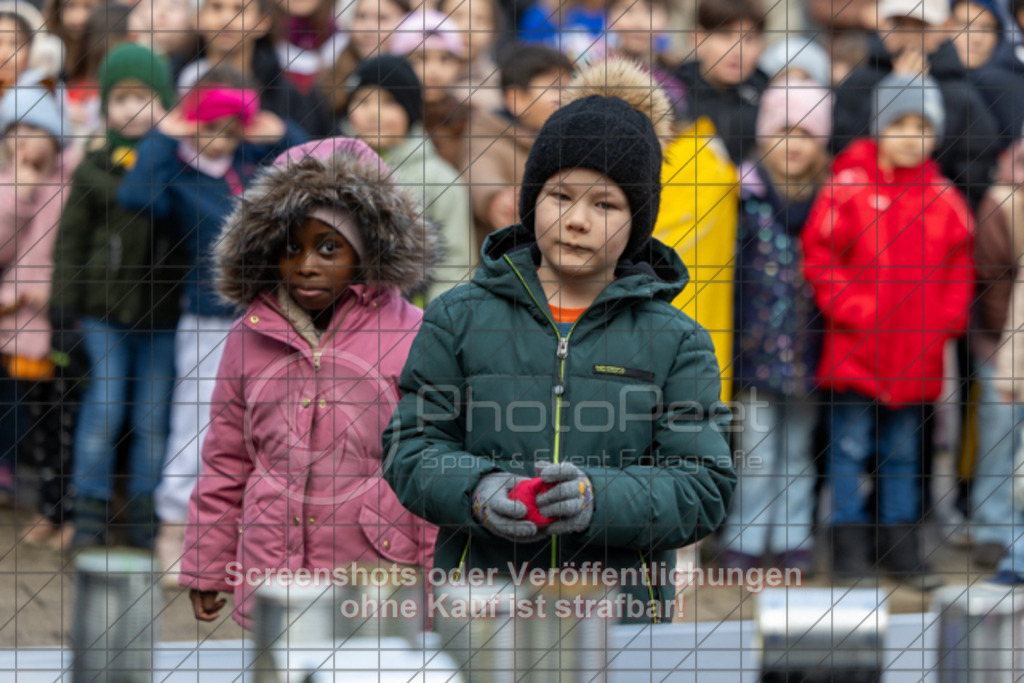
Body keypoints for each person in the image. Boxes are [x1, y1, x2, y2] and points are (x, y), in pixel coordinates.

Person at [382, 59, 737, 624]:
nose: (576, 220)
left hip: (619, 613)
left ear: (639, 220)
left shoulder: (676, 341)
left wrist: (600, 498)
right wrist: (476, 489)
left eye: (604, 204)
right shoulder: (458, 317)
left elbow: (702, 485)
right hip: (483, 606)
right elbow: (412, 447)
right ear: (531, 199)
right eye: (560, 196)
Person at [180, 136, 440, 630]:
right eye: (291, 247)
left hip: (374, 575)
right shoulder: (248, 338)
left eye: (328, 248)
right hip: (274, 573)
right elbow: (226, 459)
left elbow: (430, 471)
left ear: (369, 248)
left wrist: (436, 581)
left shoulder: (414, 336)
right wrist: (207, 563)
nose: (306, 264)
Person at [118, 66, 307, 583]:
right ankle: (175, 528)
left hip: (270, 318)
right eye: (209, 124)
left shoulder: (254, 165)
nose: (219, 136)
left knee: (271, 423)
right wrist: (166, 132)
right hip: (205, 317)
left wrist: (275, 127)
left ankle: (255, 538)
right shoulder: (176, 170)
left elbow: (311, 166)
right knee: (195, 423)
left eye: (230, 124)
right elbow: (137, 198)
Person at [803, 73, 974, 590]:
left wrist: (943, 323)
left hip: (915, 353)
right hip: (855, 349)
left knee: (903, 454)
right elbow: (820, 256)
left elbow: (959, 269)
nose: (910, 138)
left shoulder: (943, 197)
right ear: (879, 127)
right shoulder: (847, 186)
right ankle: (848, 545)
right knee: (849, 449)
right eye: (900, 125)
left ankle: (900, 546)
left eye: (922, 127)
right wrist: (851, 307)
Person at [50, 43, 180, 551]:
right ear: (106, 105)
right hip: (103, 313)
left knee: (152, 418)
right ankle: (89, 513)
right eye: (122, 98)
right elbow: (71, 243)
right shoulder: (92, 166)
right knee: (104, 408)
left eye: (145, 98)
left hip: (162, 316)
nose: (133, 109)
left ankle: (145, 518)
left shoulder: (178, 165)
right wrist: (63, 310)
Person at [719, 79, 833, 575]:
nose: (794, 145)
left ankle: (792, 538)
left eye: (806, 134)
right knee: (756, 451)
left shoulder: (831, 197)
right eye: (784, 132)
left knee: (798, 450)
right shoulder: (743, 195)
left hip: (810, 350)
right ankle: (744, 539)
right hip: (754, 349)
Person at [831, 0, 1000, 208]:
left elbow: (974, 173)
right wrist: (895, 92)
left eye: (920, 25)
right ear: (882, 25)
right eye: (899, 23)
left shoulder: (962, 96)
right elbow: (841, 152)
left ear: (945, 27)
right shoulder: (858, 85)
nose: (909, 35)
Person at [0, 86, 78, 522]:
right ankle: (13, 474)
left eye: (34, 130)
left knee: (58, 412)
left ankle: (61, 504)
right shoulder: (8, 182)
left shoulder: (72, 179)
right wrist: (16, 195)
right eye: (15, 132)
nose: (24, 141)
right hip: (19, 314)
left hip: (62, 315)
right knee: (23, 402)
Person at [342, 55, 474, 301]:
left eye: (389, 102)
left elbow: (454, 267)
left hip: (412, 315)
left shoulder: (439, 179)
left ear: (410, 110)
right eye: (363, 101)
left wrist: (437, 320)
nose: (374, 113)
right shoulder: (333, 167)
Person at [458, 44, 572, 249]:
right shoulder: (487, 136)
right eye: (556, 88)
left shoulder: (568, 138)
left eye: (570, 89)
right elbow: (479, 172)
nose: (566, 99)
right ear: (516, 99)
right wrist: (496, 200)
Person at [177, 0, 332, 138]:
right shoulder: (174, 79)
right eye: (216, 7)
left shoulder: (287, 96)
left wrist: (283, 135)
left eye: (240, 9)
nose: (226, 20)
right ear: (198, 18)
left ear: (262, 22)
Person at [673, 0, 769, 164]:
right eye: (725, 36)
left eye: (749, 39)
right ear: (697, 38)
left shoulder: (770, 99)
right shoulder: (673, 94)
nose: (738, 51)